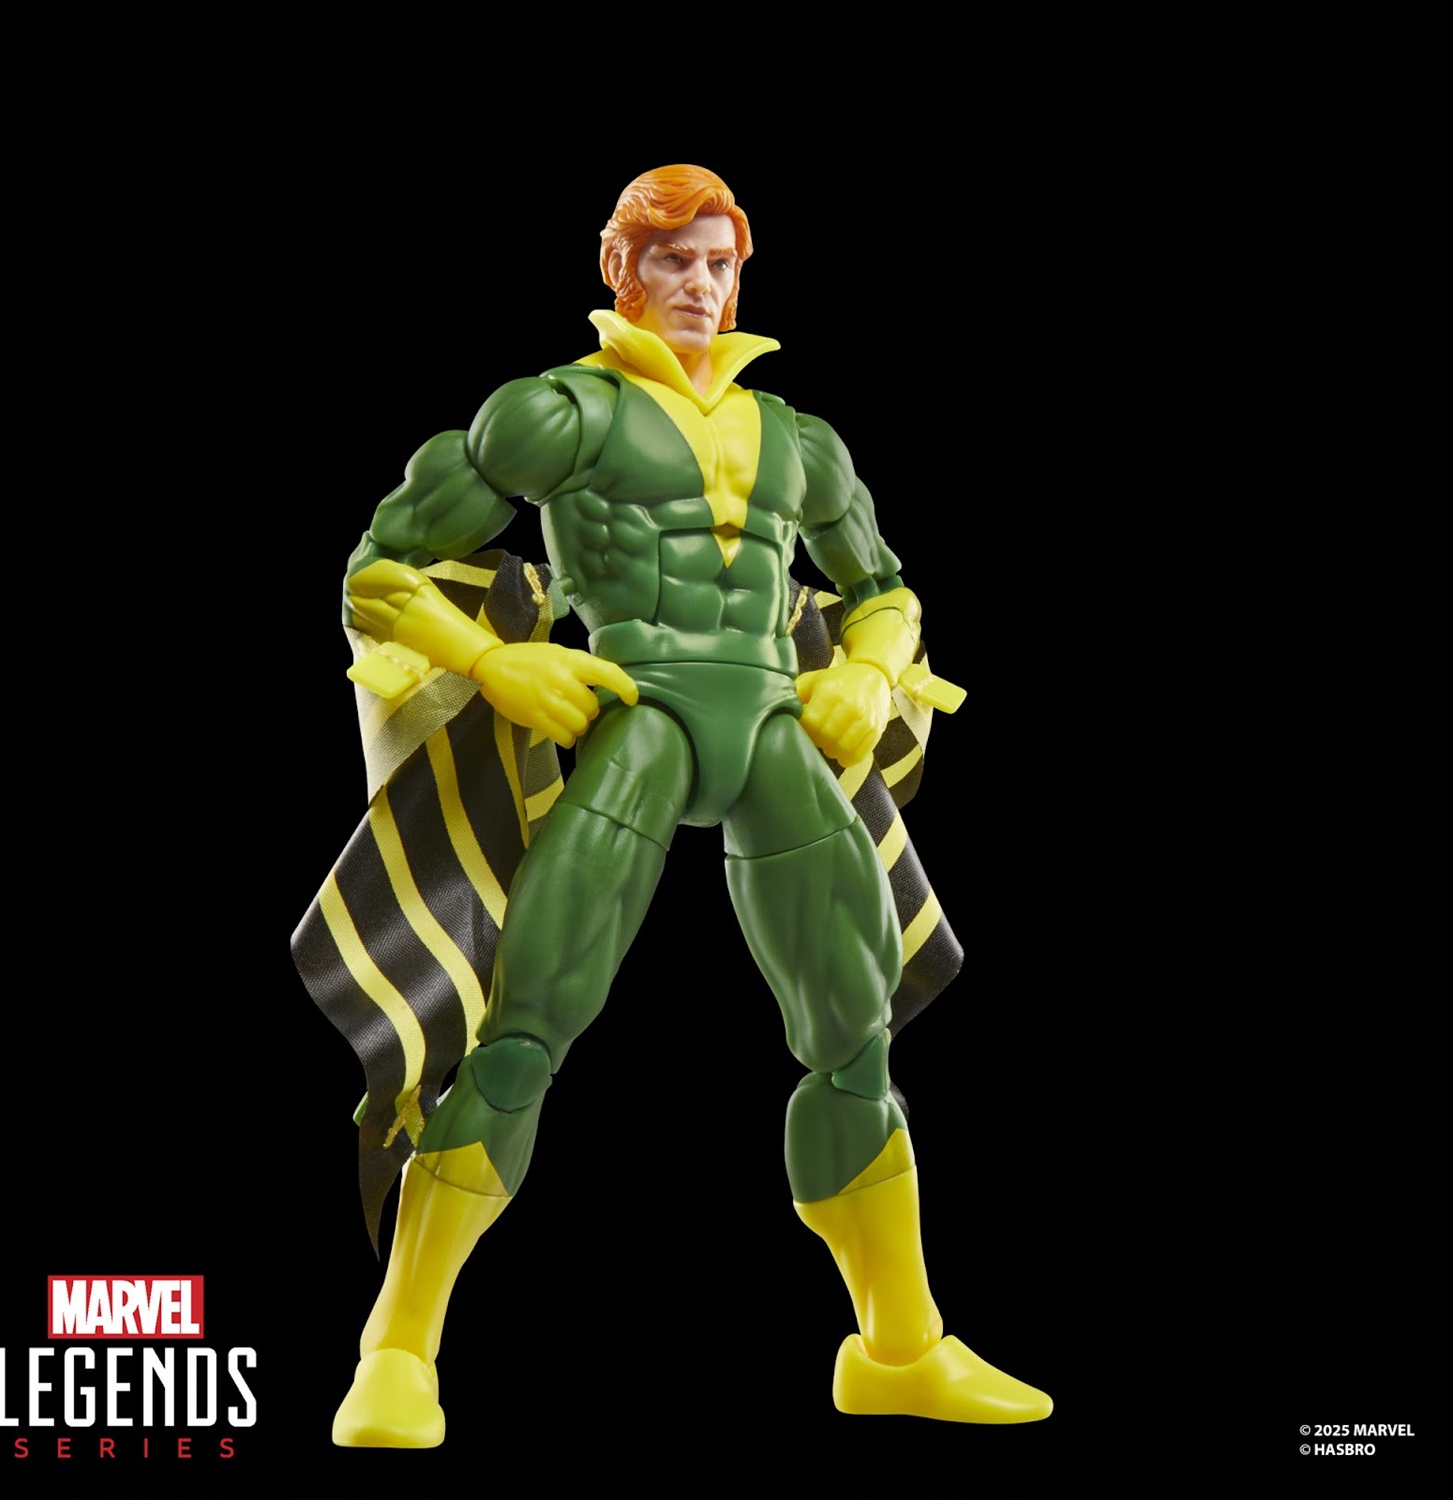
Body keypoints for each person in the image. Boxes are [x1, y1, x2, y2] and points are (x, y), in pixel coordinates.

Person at [312, 165, 1051, 1445]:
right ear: (622, 270)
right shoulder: (562, 412)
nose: (702, 285)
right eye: (675, 261)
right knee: (525, 1022)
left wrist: (868, 673)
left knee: (856, 1029)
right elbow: (377, 572)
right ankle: (398, 1351)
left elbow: (884, 588)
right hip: (639, 721)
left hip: (769, 730)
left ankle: (900, 1348)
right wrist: (495, 662)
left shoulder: (800, 438)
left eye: (720, 262)